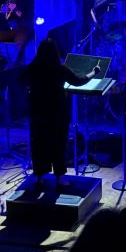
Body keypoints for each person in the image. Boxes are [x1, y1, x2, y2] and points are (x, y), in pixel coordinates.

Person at [25, 37, 100, 187]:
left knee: (38, 143)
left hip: (37, 111)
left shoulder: (32, 67)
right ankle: (60, 177)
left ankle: (39, 176)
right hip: (57, 111)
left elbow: (21, 80)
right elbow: (79, 81)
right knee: (58, 143)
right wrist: (94, 72)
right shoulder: (59, 68)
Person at [0, 0, 34, 65]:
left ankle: (18, 63)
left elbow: (27, 19)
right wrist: (2, 10)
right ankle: (1, 61)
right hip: (10, 27)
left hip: (24, 28)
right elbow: (1, 13)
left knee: (20, 39)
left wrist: (16, 10)